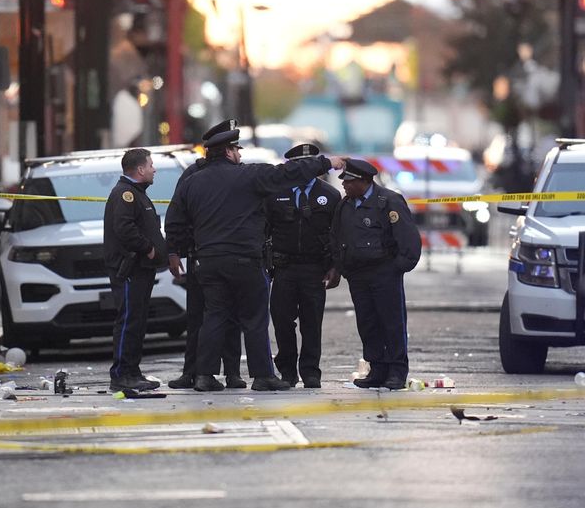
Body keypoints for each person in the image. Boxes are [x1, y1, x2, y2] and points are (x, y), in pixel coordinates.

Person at [166, 128, 346, 392]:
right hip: (244, 261)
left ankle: (204, 375)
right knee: (254, 318)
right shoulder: (249, 176)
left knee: (214, 316)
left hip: (209, 261)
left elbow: (175, 219)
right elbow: (288, 173)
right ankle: (263, 376)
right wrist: (326, 162)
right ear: (228, 152)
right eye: (236, 149)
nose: (240, 154)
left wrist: (173, 252)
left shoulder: (193, 182)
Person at [330, 158, 421, 390]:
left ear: (365, 180)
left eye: (349, 181)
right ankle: (377, 368)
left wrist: (396, 268)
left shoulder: (388, 201)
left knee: (391, 322)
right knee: (368, 323)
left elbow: (408, 239)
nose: (345, 185)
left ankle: (397, 371)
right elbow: (337, 237)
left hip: (384, 273)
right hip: (358, 275)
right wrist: (342, 267)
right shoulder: (345, 205)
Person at [167, 120, 245, 390]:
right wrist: (175, 251)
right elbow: (176, 216)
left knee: (230, 316)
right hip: (198, 253)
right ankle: (192, 371)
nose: (237, 153)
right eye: (234, 147)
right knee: (197, 316)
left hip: (220, 255)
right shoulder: (193, 174)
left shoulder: (239, 173)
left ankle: (232, 372)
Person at [264, 144, 342, 389]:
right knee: (282, 321)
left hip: (314, 268)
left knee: (312, 322)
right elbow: (264, 229)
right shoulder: (275, 193)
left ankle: (311, 372)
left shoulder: (329, 195)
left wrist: (335, 267)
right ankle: (287, 371)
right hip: (284, 268)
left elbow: (337, 235)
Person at [103, 148, 168, 392]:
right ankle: (121, 374)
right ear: (140, 169)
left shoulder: (136, 193)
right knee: (129, 320)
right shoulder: (126, 194)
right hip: (131, 268)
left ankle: (132, 371)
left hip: (141, 269)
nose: (154, 169)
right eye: (151, 165)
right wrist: (148, 248)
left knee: (137, 321)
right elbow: (125, 228)